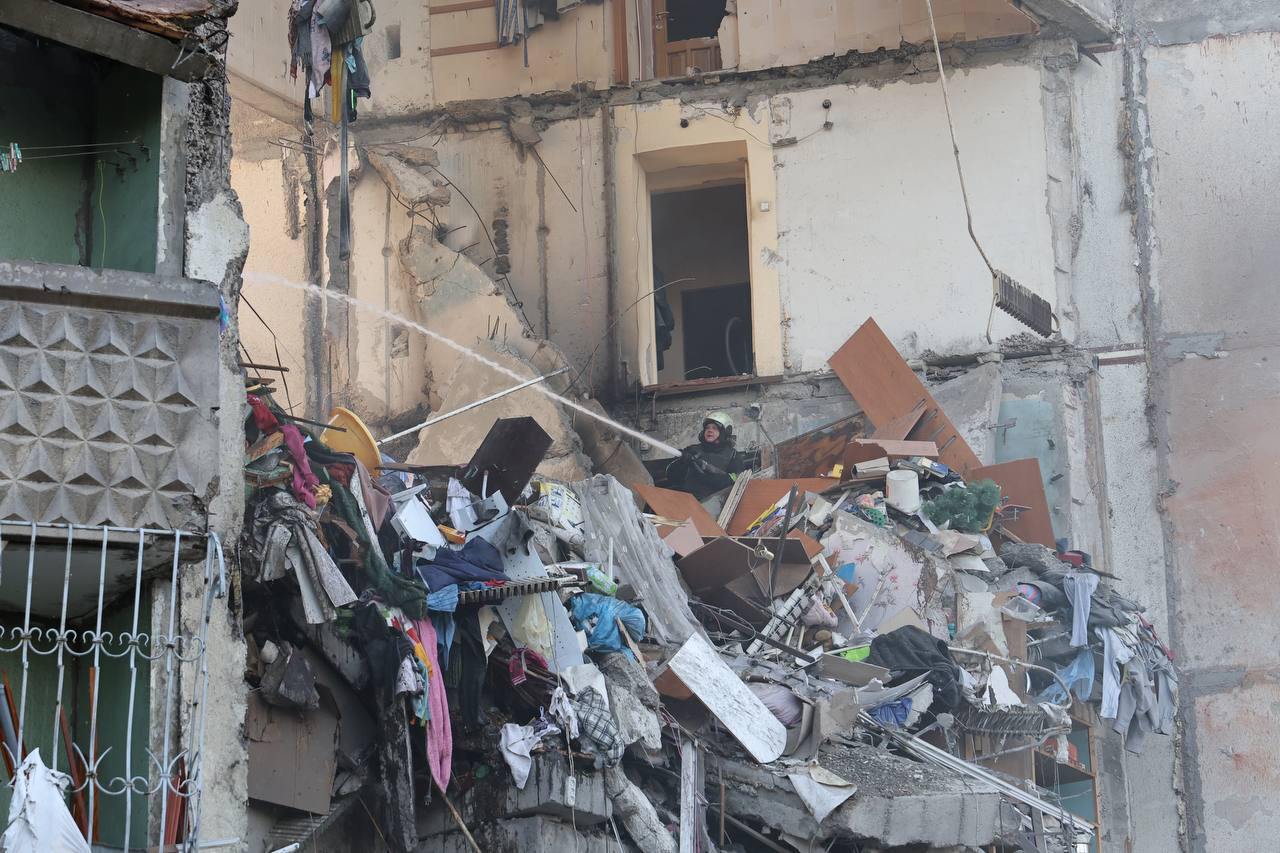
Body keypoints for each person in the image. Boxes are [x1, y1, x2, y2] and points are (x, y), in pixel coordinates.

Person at [665, 412, 750, 500]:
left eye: (714, 428)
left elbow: (737, 481)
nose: (709, 430)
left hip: (715, 504)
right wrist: (681, 462)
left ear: (724, 432)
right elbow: (672, 477)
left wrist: (710, 478)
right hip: (688, 501)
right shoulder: (692, 450)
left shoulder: (733, 456)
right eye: (707, 428)